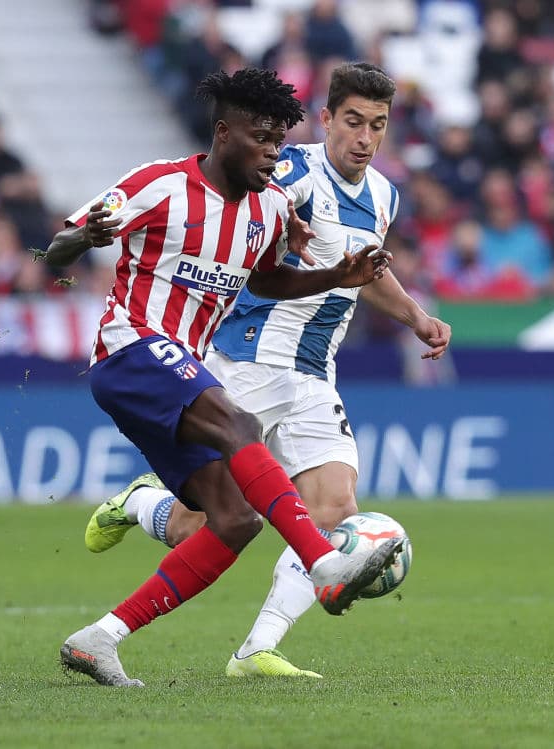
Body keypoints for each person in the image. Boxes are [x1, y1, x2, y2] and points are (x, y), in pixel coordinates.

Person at [83, 62, 452, 679]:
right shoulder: (288, 173)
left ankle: (257, 651)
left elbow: (368, 269)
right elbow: (245, 231)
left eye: (378, 126)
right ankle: (142, 502)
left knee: (335, 503)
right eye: (353, 122)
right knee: (208, 523)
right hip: (247, 356)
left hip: (315, 371)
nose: (364, 138)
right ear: (328, 119)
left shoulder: (385, 196)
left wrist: (415, 316)